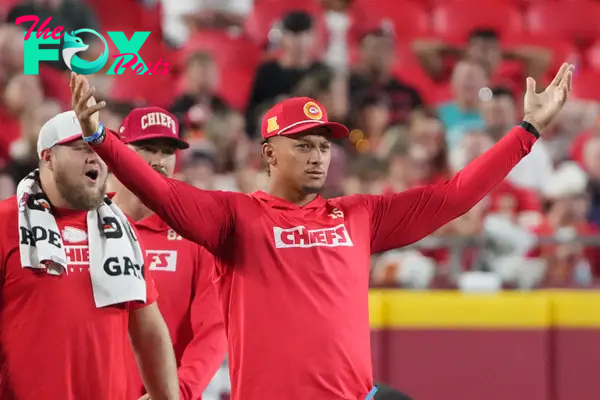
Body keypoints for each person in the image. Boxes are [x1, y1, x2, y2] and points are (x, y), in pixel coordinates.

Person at [71, 63, 573, 400]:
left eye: (323, 147)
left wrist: (524, 133)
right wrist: (102, 140)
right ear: (269, 153)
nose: (317, 157)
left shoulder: (359, 214)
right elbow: (161, 192)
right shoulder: (235, 219)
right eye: (302, 145)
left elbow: (454, 196)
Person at [0, 111, 179, 399]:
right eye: (83, 148)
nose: (95, 157)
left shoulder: (121, 230)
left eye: (99, 149)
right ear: (48, 156)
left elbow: (149, 330)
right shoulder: (6, 223)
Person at [108, 107, 227, 399]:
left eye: (167, 152)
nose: (159, 161)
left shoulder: (196, 234)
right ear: (118, 153)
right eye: (147, 148)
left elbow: (213, 330)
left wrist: (176, 392)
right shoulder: (86, 223)